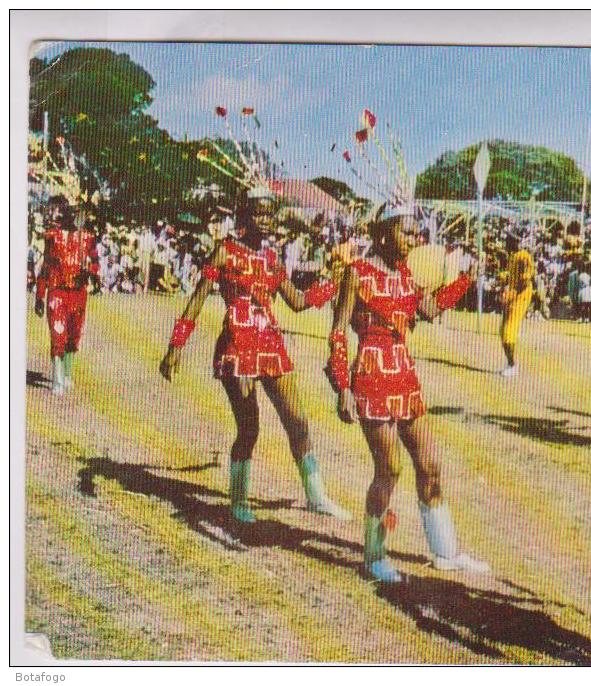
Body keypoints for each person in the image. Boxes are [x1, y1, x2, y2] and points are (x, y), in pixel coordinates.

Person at [159, 195, 350, 524]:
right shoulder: (224, 252)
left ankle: (317, 497)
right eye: (259, 214)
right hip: (236, 346)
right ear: (245, 216)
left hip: (270, 345)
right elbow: (196, 301)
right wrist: (175, 347)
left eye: (270, 215)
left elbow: (298, 302)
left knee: (298, 423)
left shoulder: (273, 259)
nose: (266, 221)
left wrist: (332, 282)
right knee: (249, 429)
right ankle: (238, 500)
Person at [327, 206, 490, 584]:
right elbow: (337, 331)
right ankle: (374, 553)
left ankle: (445, 552)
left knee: (430, 466)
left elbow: (428, 309)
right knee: (389, 469)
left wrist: (466, 280)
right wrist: (342, 386)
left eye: (416, 233)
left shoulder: (404, 276)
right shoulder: (357, 274)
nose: (414, 240)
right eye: (407, 232)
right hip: (371, 374)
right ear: (384, 234)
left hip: (404, 375)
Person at [34, 195, 100, 395]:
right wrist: (40, 294)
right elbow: (46, 266)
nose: (75, 216)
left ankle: (67, 372)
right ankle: (57, 378)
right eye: (71, 211)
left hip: (78, 293)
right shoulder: (52, 236)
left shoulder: (88, 237)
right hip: (57, 291)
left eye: (77, 212)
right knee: (58, 333)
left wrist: (95, 277)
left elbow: (95, 261)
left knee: (73, 334)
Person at [498, 234, 535, 377]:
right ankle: (510, 363)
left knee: (508, 330)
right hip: (514, 294)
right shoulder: (513, 257)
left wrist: (511, 292)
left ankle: (513, 365)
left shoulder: (523, 256)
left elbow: (525, 280)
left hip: (521, 296)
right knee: (503, 330)